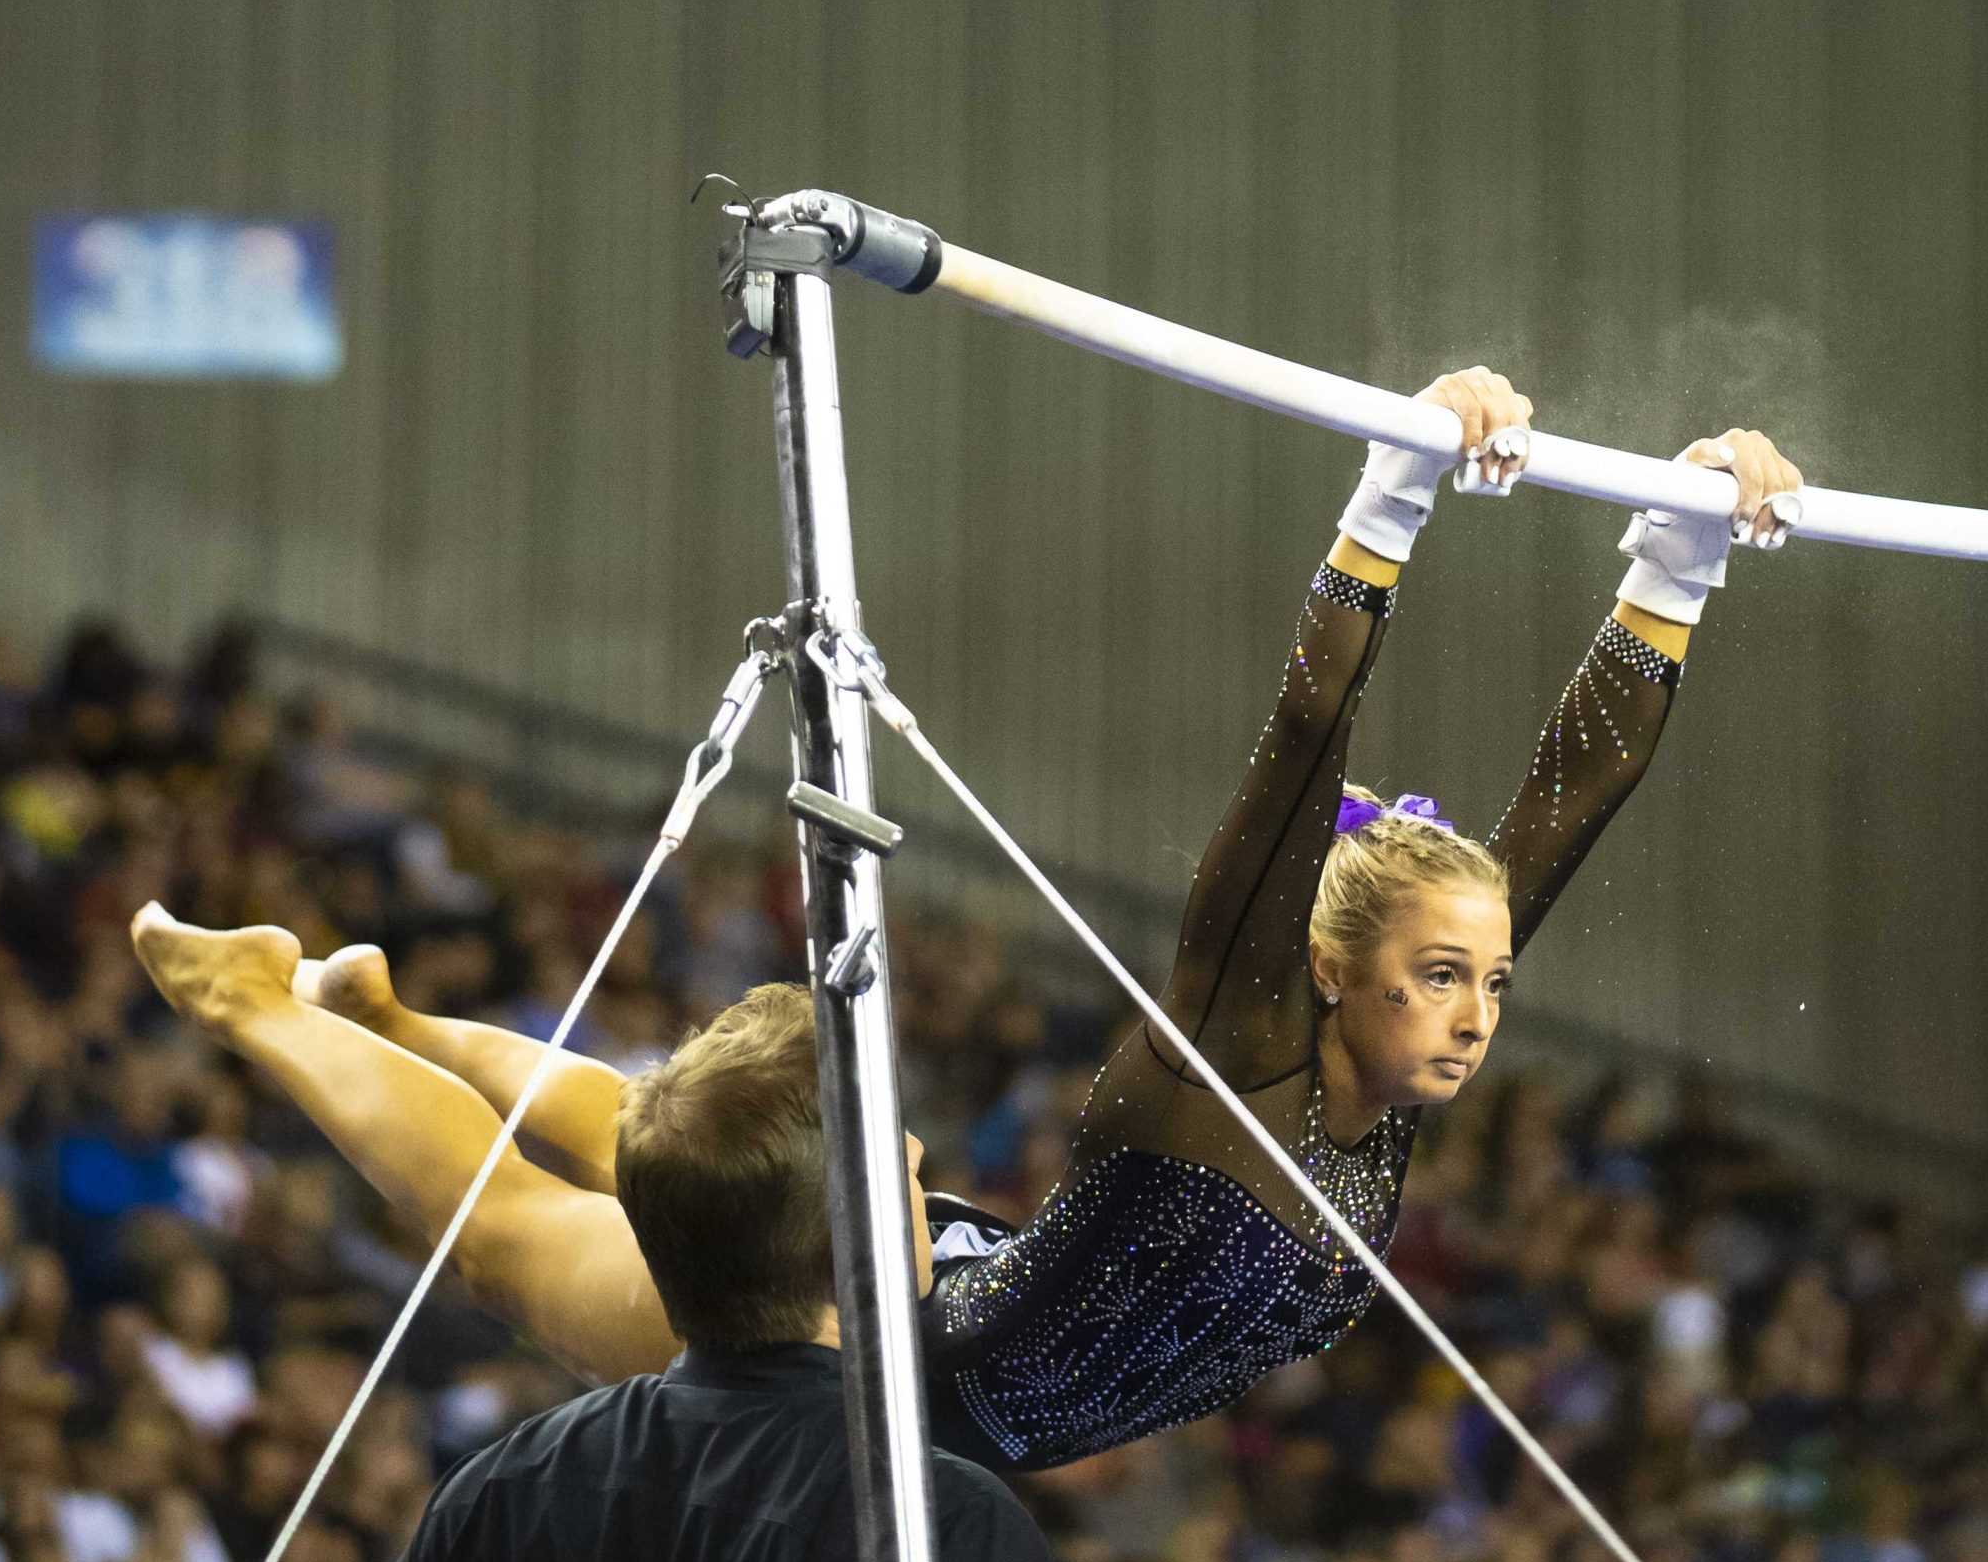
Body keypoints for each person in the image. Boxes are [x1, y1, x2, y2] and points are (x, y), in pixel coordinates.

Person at [131, 367, 1803, 1471]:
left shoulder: (1391, 1074)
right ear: (1324, 964)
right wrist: (1394, 498)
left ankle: (402, 1018)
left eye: (1492, 981)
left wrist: (1678, 549)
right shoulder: (1235, 1049)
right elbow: (1306, 743)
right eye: (1441, 976)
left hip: (965, 1281)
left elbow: (1569, 804)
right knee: (510, 1250)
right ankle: (267, 1003)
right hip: (850, 1350)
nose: (1479, 1011)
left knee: (644, 1140)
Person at [125, 943, 1072, 1562]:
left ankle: (354, 1018)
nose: (919, 1154)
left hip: (725, 1338)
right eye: (906, 1171)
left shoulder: (505, 1481)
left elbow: (644, 1130)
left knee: (598, 1170)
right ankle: (345, 1016)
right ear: (854, 1241)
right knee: (529, 1206)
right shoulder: (943, 1525)